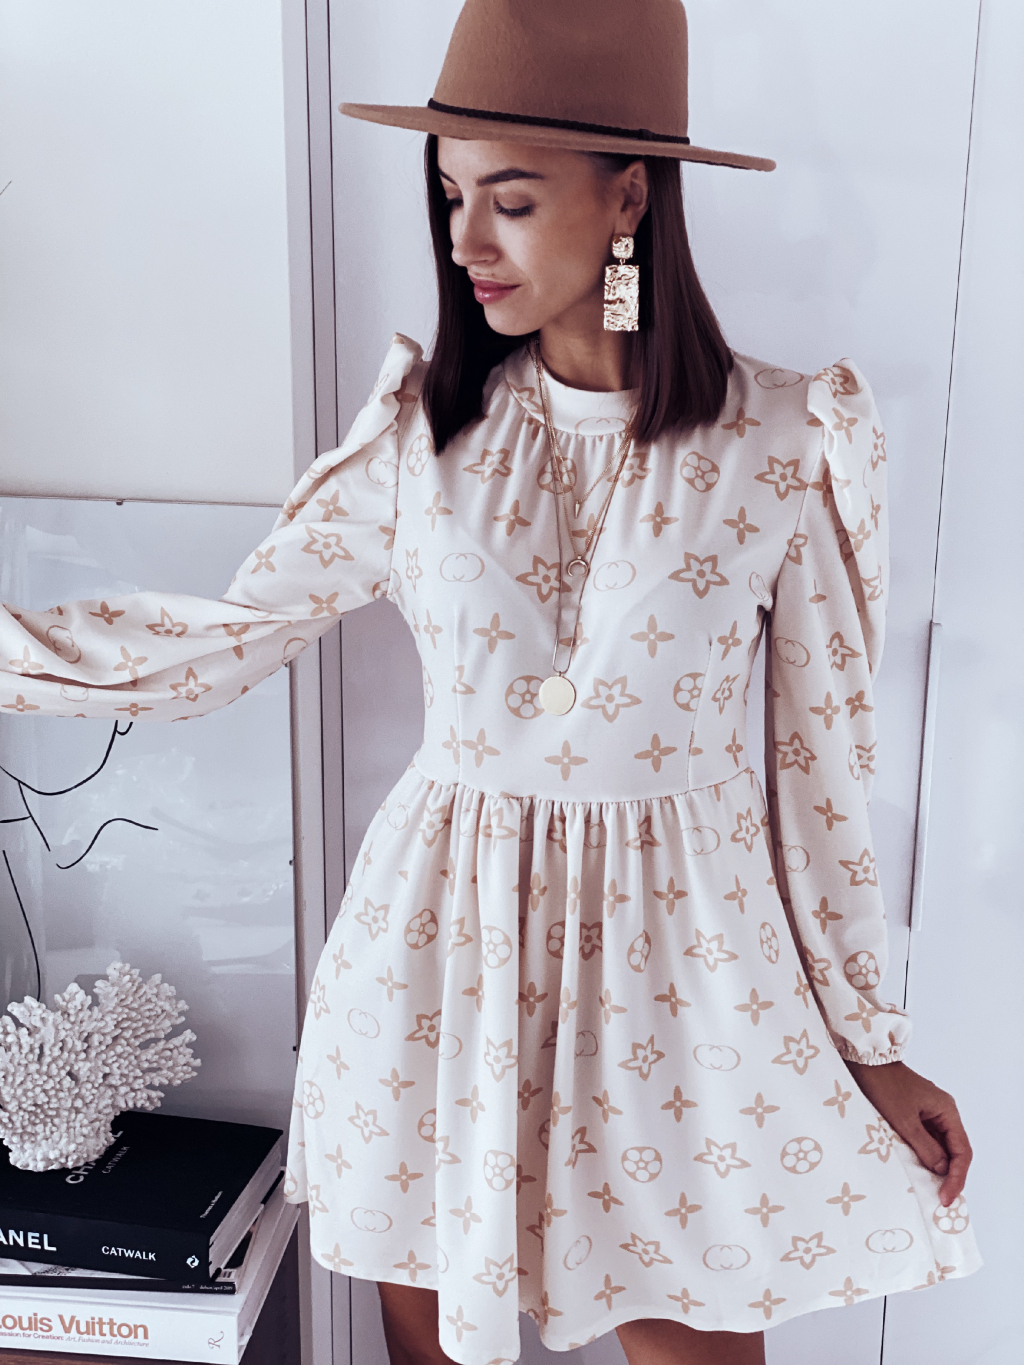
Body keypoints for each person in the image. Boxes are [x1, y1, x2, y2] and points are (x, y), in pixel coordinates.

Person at [0, 2, 980, 1362]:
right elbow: (221, 637)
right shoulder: (422, 440)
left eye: (511, 201)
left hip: (687, 978)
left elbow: (820, 767)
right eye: (452, 196)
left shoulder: (781, 441)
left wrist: (867, 1038)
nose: (466, 241)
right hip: (436, 957)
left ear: (629, 195)